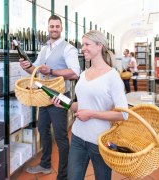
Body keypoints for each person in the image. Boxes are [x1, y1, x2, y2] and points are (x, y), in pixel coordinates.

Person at [52, 30, 128, 180]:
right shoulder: (84, 73)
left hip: (100, 141)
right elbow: (82, 105)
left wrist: (91, 114)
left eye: (87, 44)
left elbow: (123, 114)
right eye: (82, 44)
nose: (83, 48)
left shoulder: (112, 77)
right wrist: (64, 104)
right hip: (77, 137)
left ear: (99, 46)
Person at [19, 14, 80, 180]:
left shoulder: (69, 49)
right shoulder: (45, 49)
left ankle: (64, 175)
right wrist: (27, 67)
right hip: (43, 96)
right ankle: (45, 165)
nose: (54, 29)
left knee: (60, 136)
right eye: (51, 26)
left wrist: (52, 71)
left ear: (61, 28)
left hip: (61, 97)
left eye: (57, 26)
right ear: (48, 28)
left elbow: (75, 73)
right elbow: (36, 71)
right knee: (42, 129)